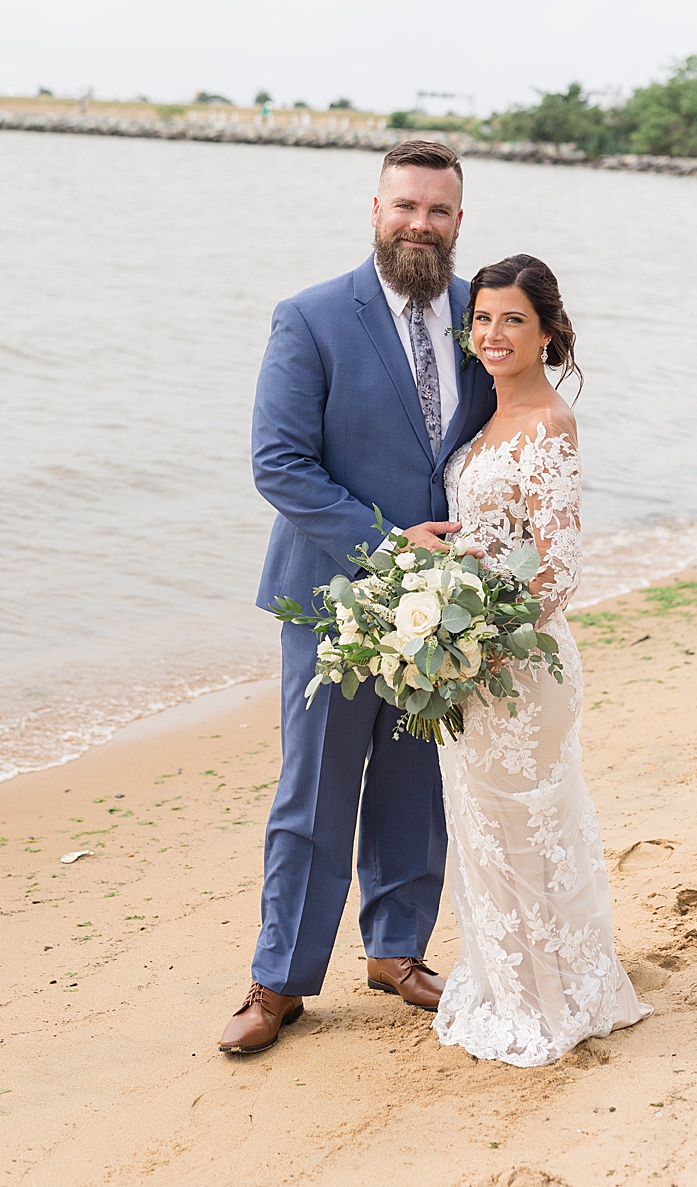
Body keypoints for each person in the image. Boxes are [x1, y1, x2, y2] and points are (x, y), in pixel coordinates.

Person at [221, 139, 497, 1055]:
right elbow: (280, 465)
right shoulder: (309, 319)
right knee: (315, 791)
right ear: (373, 209)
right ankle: (279, 983)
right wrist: (387, 550)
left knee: (419, 788)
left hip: (449, 606)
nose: (421, 224)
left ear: (460, 222)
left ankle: (398, 951)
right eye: (405, 207)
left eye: (439, 211)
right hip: (333, 597)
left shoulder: (481, 317)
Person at [433, 253, 650, 1064]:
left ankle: (553, 999)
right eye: (483, 318)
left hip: (517, 667)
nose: (493, 334)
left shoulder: (549, 424)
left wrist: (482, 641)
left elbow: (558, 569)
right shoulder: (483, 417)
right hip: (469, 661)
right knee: (487, 827)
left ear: (548, 332)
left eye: (512, 320)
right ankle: (511, 982)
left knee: (528, 826)